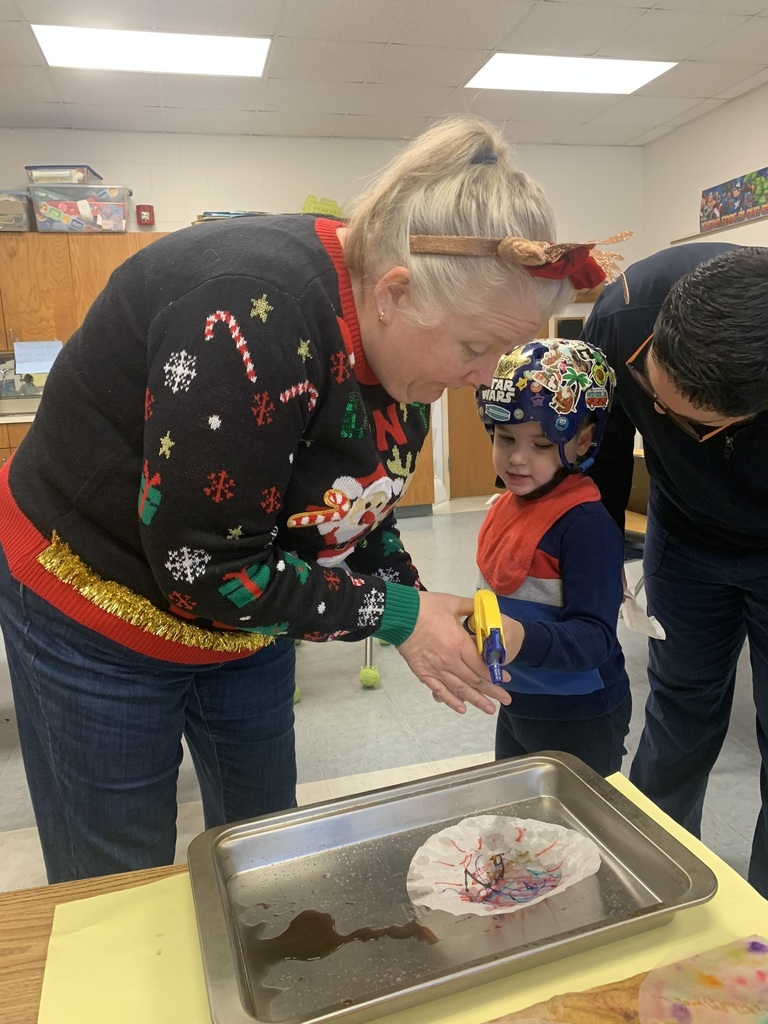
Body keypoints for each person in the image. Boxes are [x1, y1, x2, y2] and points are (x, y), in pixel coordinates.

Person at [0, 114, 614, 883]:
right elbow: (203, 570)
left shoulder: (408, 342)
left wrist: (412, 603)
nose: (485, 378)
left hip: (246, 605)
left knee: (263, 845)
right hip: (95, 597)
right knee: (117, 875)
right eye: (474, 348)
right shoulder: (247, 313)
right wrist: (393, 616)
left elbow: (362, 501)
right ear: (393, 293)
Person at [582, 242, 768, 898]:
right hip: (684, 538)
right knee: (679, 712)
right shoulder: (623, 313)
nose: (657, 415)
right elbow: (599, 454)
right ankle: (650, 884)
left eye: (683, 417)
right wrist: (591, 571)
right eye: (654, 396)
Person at [474, 339, 631, 777]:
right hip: (518, 700)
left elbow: (595, 637)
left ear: (583, 440)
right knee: (519, 819)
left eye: (541, 445)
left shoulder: (585, 527)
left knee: (578, 836)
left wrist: (522, 638)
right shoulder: (506, 504)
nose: (517, 458)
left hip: (579, 714)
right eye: (505, 438)